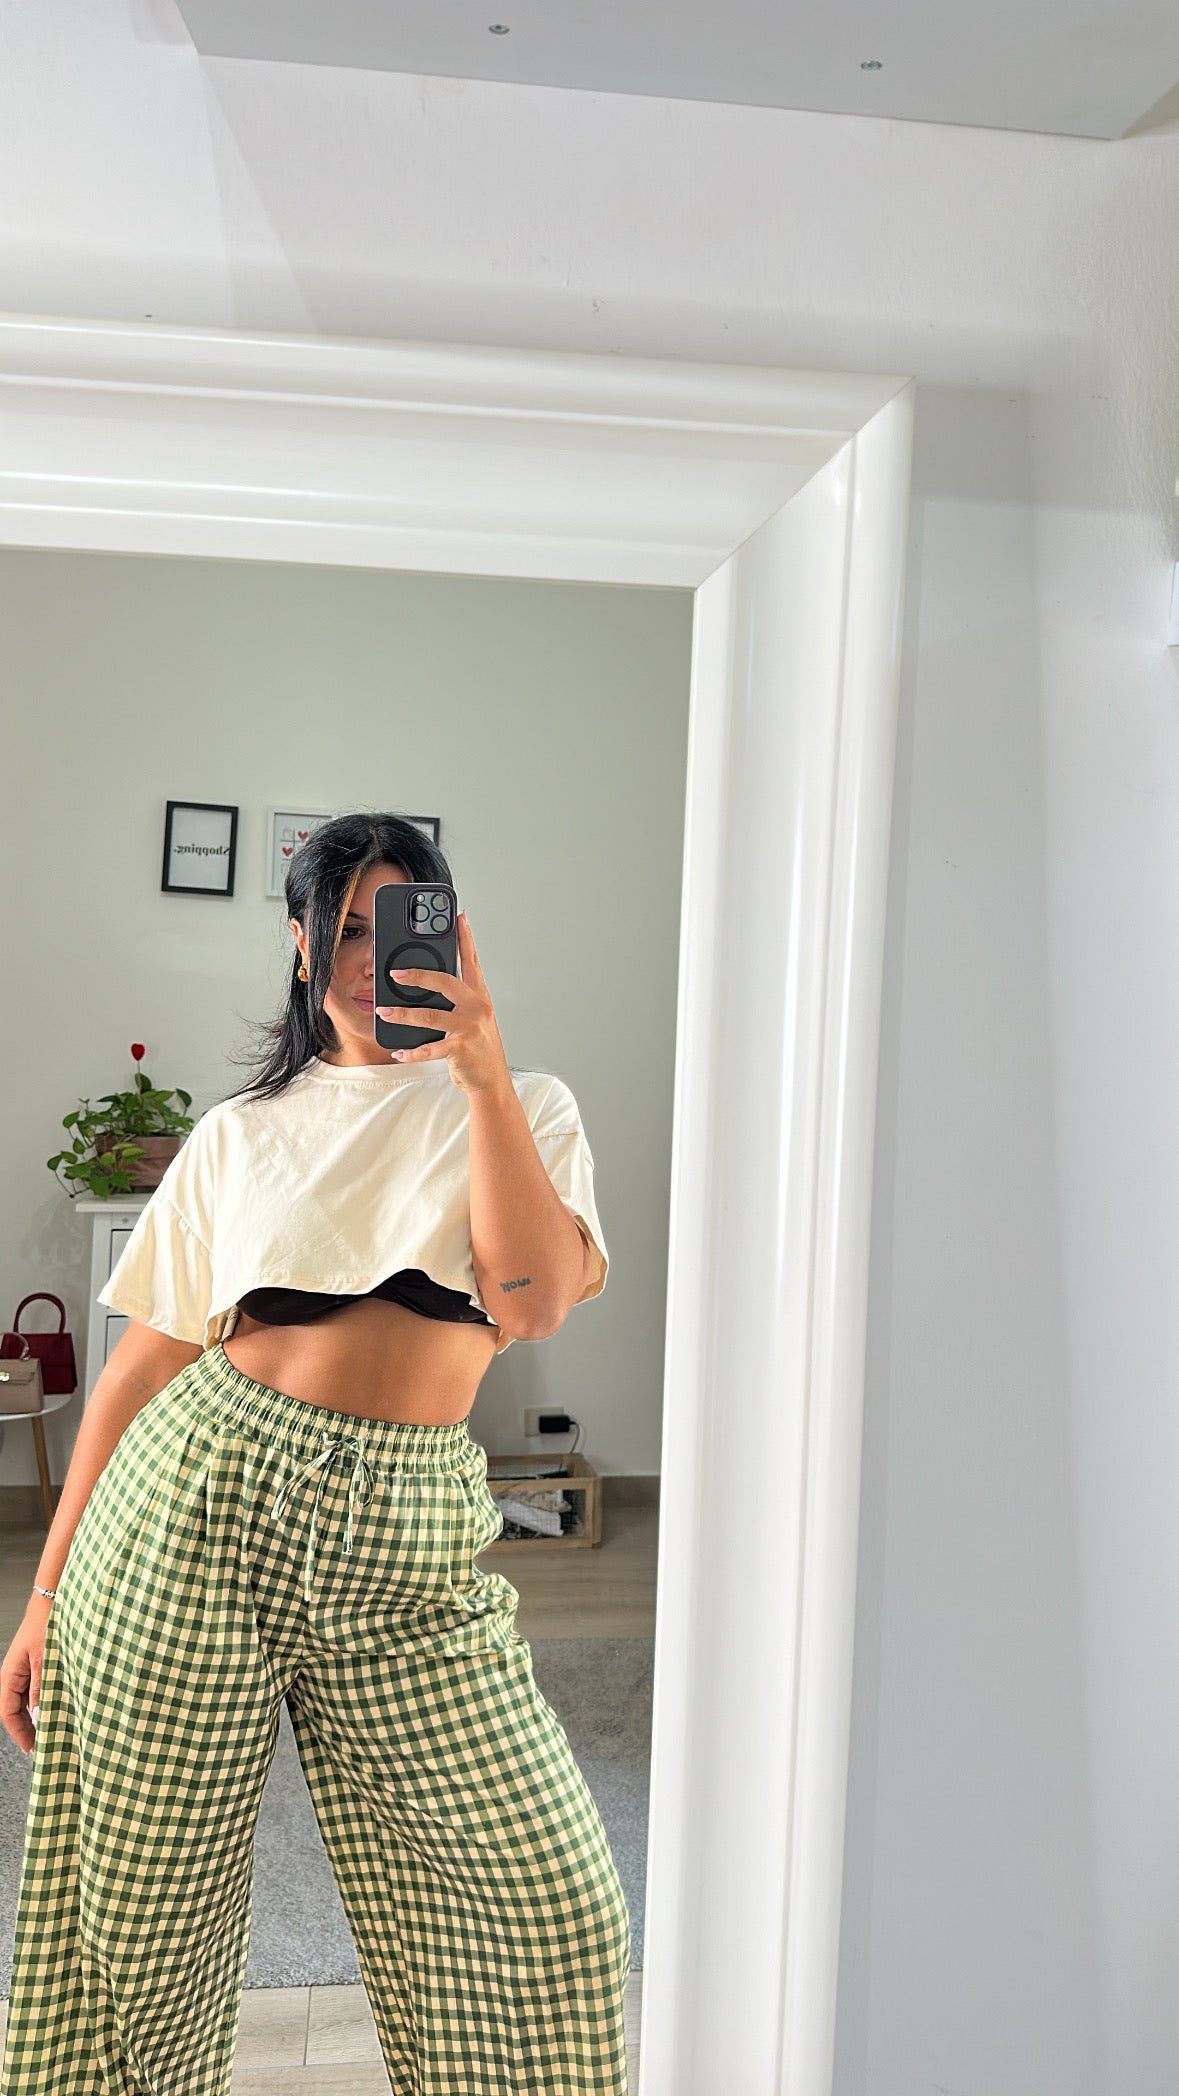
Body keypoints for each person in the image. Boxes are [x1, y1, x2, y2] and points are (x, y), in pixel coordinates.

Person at [0, 810, 630, 2095]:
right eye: (340, 926)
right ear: (298, 943)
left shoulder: (526, 1103)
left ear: (448, 934)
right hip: (195, 1505)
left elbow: (530, 1302)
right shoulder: (241, 1131)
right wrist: (46, 1590)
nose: (363, 956)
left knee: (551, 1901)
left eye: (391, 923)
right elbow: (136, 1369)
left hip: (406, 1542)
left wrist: (482, 1071)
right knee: (144, 1917)